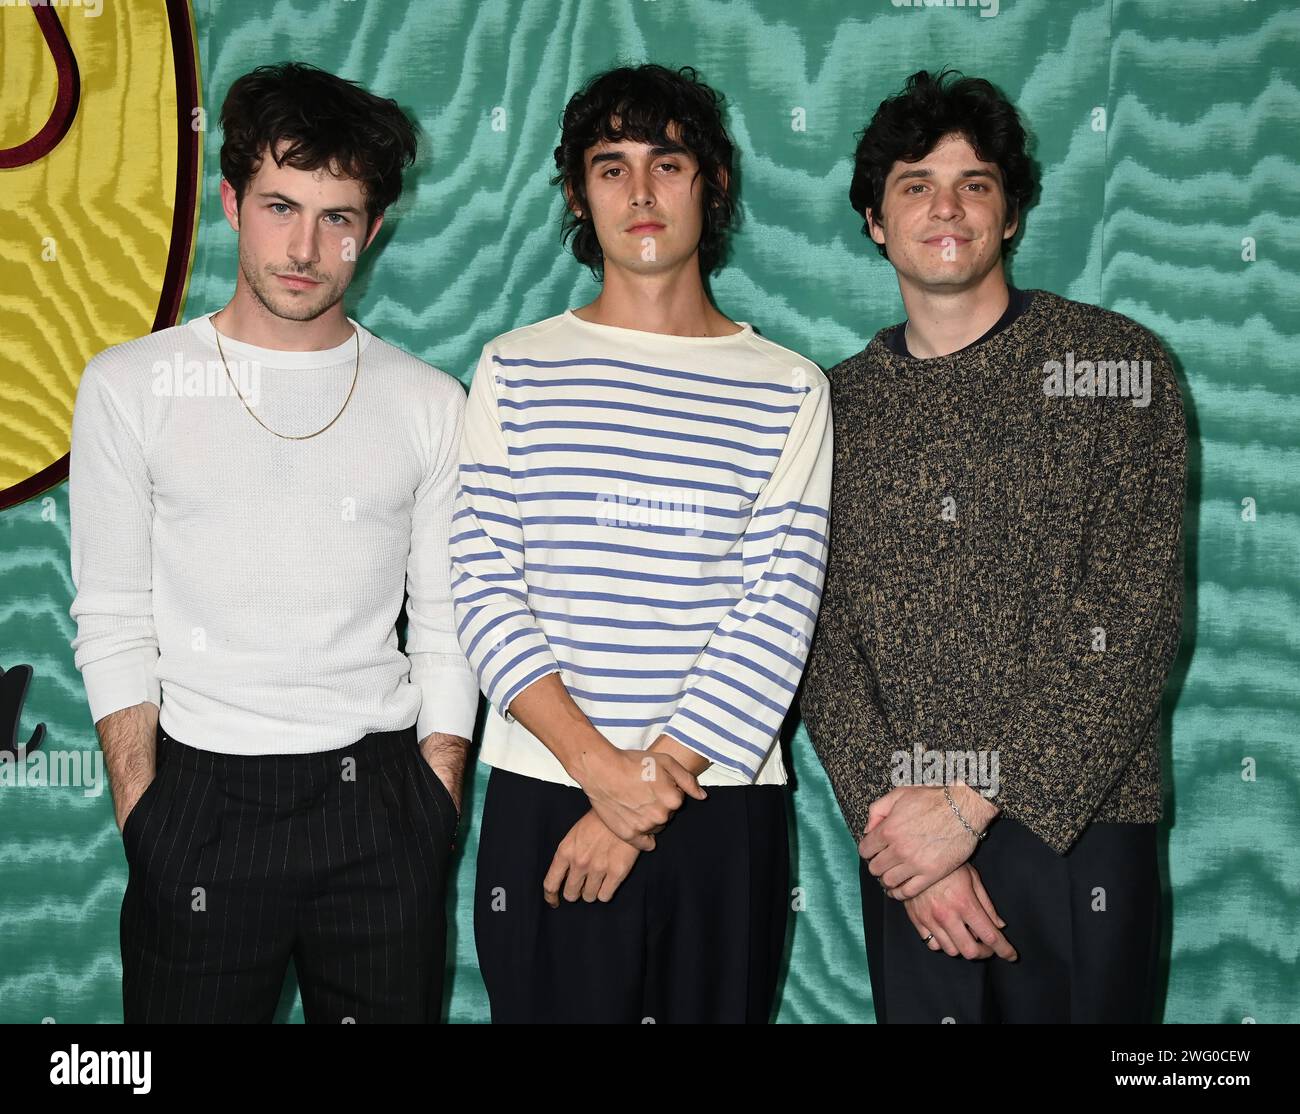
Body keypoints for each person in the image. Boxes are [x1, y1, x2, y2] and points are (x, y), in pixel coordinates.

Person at [68, 62, 477, 1023]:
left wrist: (436, 799)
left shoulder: (428, 401)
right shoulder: (132, 387)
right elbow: (113, 614)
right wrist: (147, 816)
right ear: (230, 201)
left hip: (381, 801)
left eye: (338, 217)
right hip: (199, 798)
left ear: (373, 229)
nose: (304, 247)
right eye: (279, 205)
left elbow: (450, 624)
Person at [801, 68, 1186, 1024]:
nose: (947, 207)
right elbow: (816, 635)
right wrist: (900, 839)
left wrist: (972, 803)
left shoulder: (1118, 370)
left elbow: (1136, 616)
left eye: (975, 183)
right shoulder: (829, 406)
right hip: (909, 842)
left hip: (1083, 824)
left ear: (1010, 214)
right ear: (874, 220)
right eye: (915, 184)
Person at [451, 63, 833, 1023]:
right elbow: (486, 589)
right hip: (548, 790)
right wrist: (599, 772)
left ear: (714, 183)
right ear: (580, 194)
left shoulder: (789, 386)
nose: (643, 192)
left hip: (717, 803)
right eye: (611, 167)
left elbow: (777, 609)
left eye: (668, 162)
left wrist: (644, 793)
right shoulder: (514, 368)